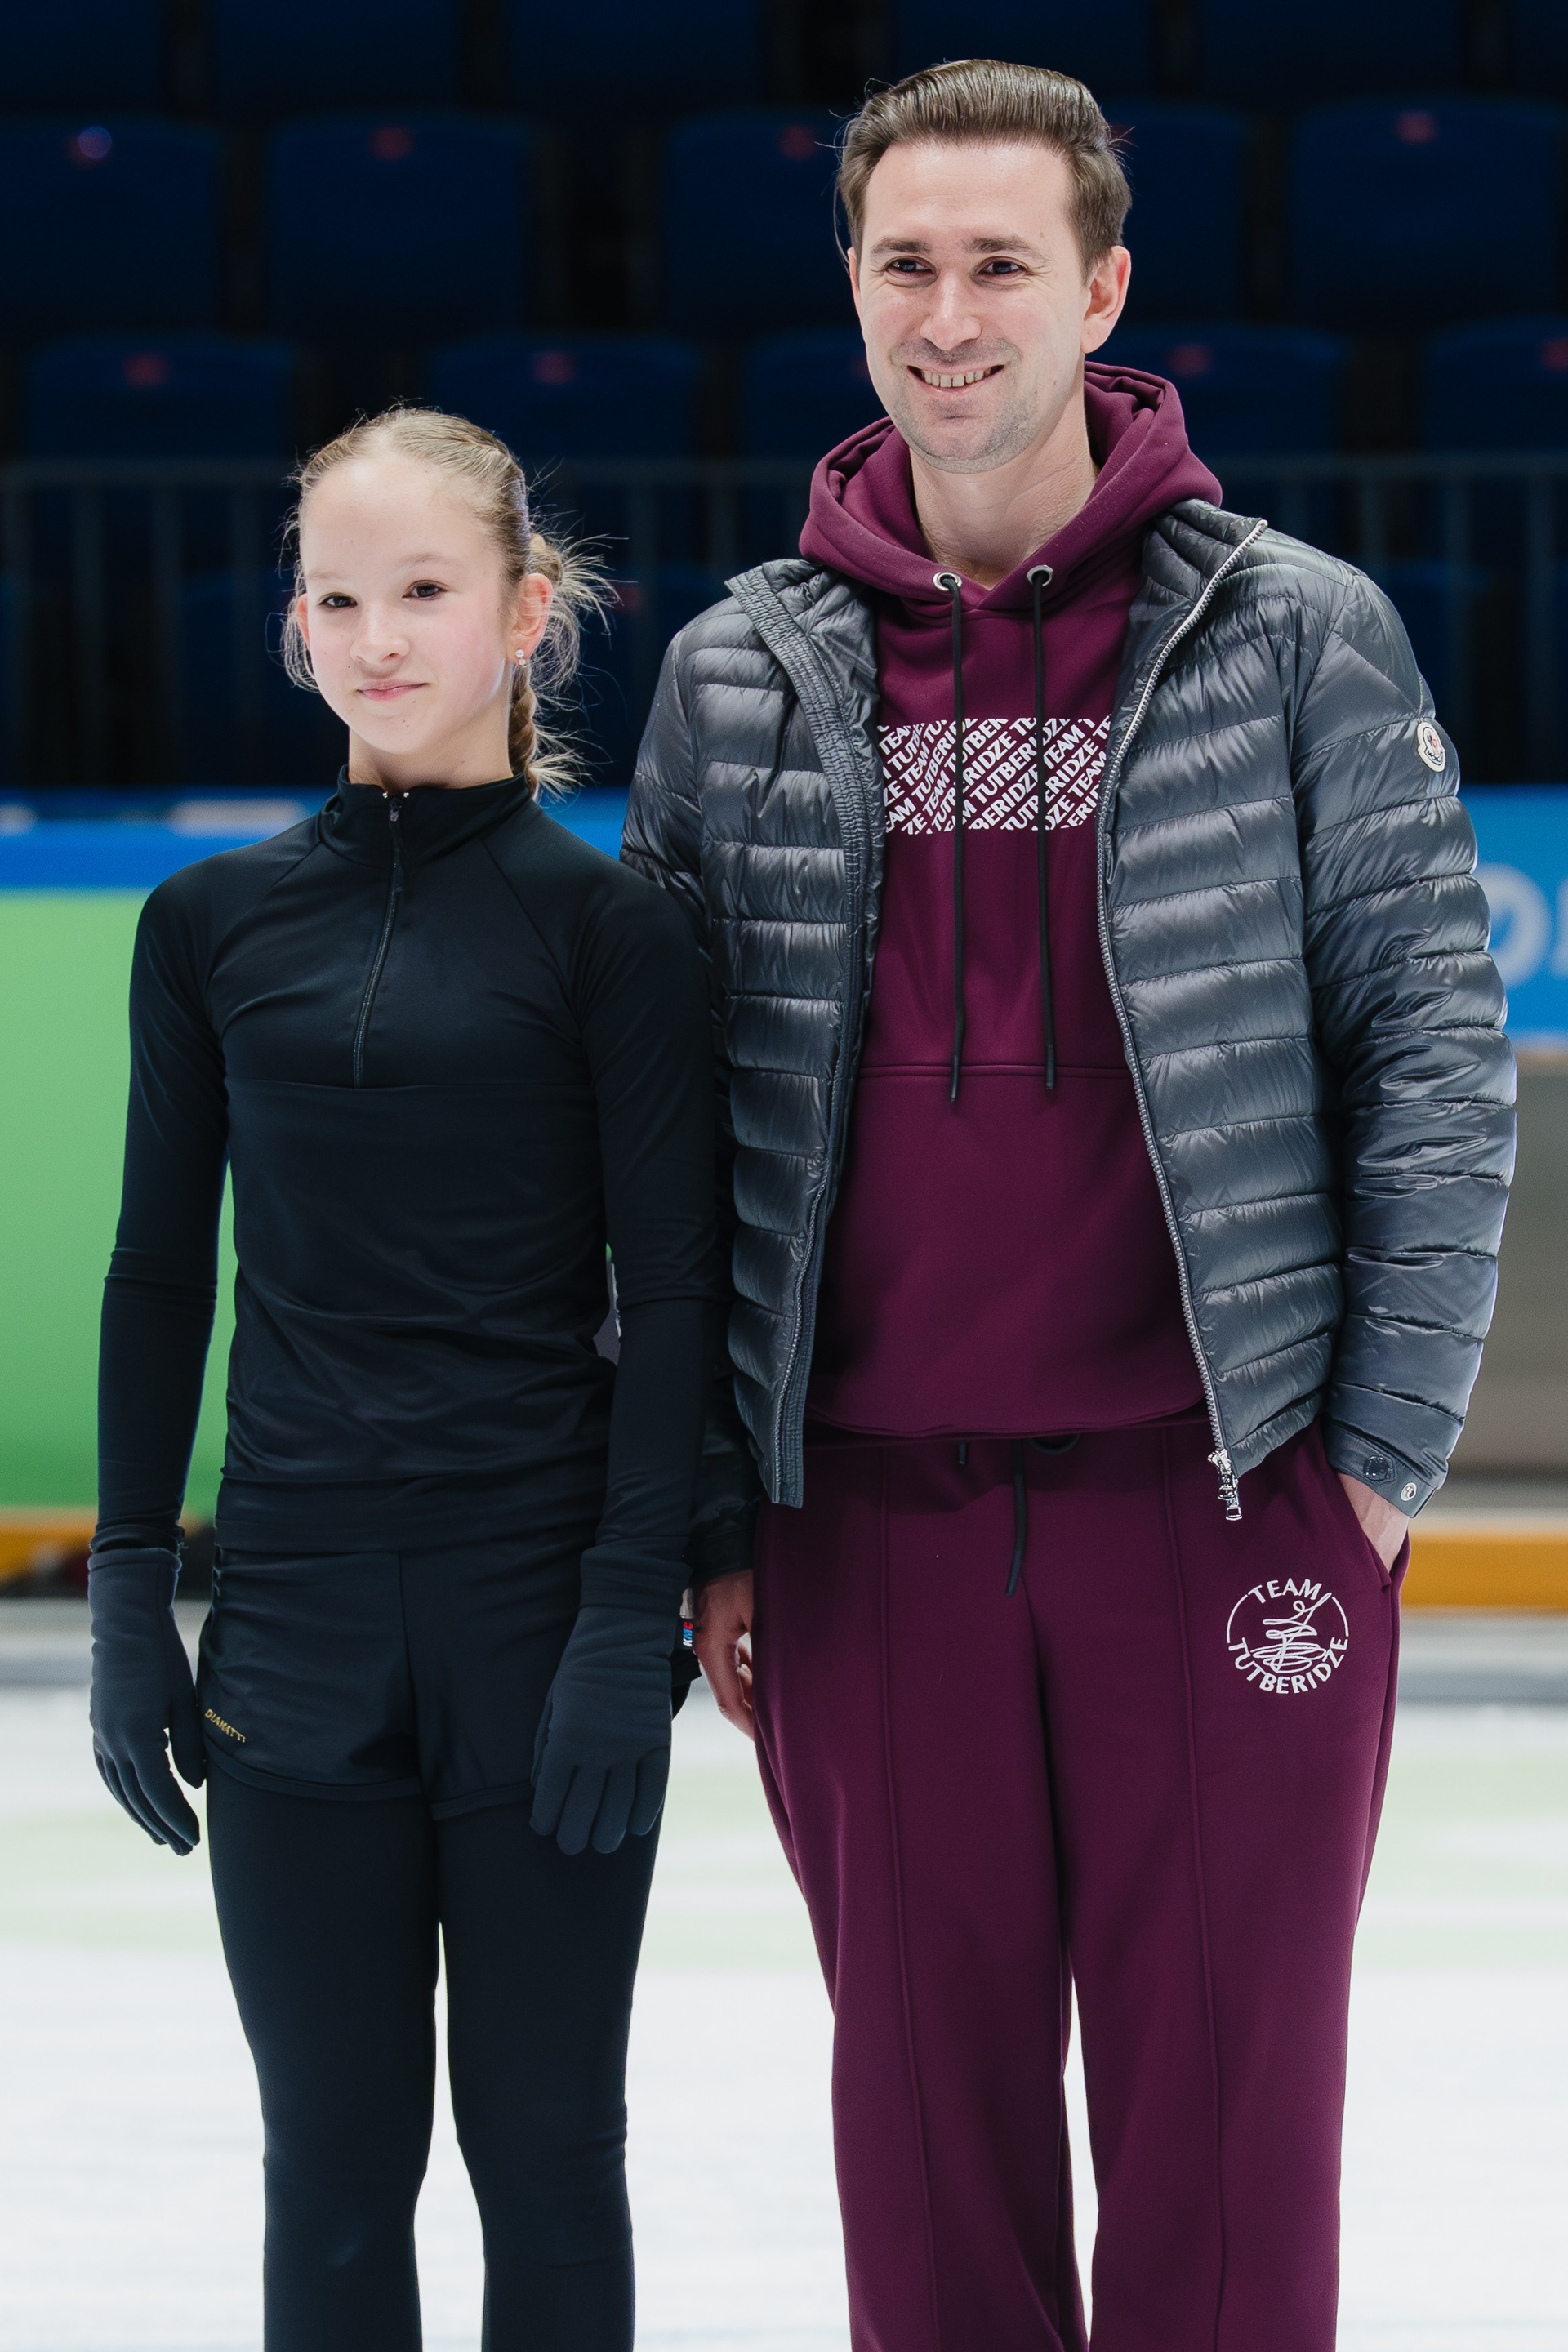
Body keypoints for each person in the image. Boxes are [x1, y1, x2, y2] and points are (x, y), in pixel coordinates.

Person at [623, 59, 1514, 2352]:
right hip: (863, 1523)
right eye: (906, 264)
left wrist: (1374, 1466)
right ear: (850, 288)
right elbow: (662, 1135)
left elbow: (1432, 1054)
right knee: (926, 2154)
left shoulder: (1294, 634)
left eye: (1001, 264)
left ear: (1102, 292)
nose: (951, 315)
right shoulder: (736, 676)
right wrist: (714, 1503)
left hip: (1224, 1502)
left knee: (1232, 2146)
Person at [88, 408, 715, 2352]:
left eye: (423, 590)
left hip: (537, 1623)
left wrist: (628, 1619)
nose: (377, 638)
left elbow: (677, 1296)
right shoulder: (207, 928)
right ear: (297, 623)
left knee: (549, 2157)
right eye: (338, 598)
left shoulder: (611, 933)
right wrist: (128, 1591)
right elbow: (157, 1273)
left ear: (526, 612)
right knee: (335, 2174)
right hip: (291, 1630)